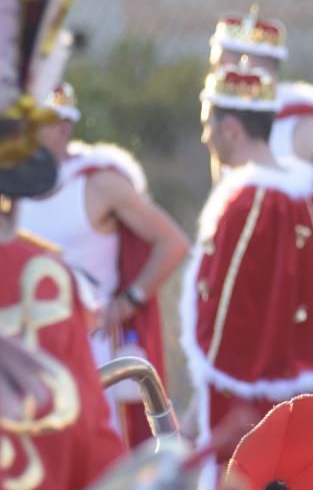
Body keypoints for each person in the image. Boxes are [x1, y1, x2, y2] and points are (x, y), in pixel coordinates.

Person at [0, 0, 182, 490]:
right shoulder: (34, 274)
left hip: (81, 340)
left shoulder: (91, 190)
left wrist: (129, 296)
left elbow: (170, 241)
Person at [180, 62, 313, 464]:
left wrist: (189, 431)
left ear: (231, 130)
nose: (205, 136)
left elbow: (224, 338)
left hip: (253, 418)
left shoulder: (244, 206)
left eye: (209, 125)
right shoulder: (308, 195)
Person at [18, 81, 190, 447]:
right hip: (26, 348)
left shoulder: (98, 184)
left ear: (65, 127)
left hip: (92, 346)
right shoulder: (11, 190)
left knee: (100, 455)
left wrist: (129, 301)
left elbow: (172, 242)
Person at [209, 7, 313, 247]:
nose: (215, 74)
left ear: (245, 64)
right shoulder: (230, 130)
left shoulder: (307, 127)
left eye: (220, 64)